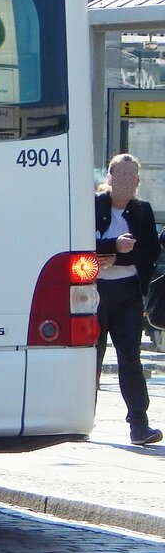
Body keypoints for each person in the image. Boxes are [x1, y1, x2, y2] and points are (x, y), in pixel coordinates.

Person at [95, 153, 163, 446]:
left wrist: (118, 254)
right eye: (118, 175)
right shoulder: (92, 205)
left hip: (128, 294)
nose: (125, 182)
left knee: (130, 358)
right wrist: (111, 245)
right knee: (90, 359)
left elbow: (149, 250)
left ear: (137, 181)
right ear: (109, 177)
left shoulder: (142, 210)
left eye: (131, 177)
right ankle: (78, 418)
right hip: (92, 294)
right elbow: (77, 241)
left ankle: (139, 424)